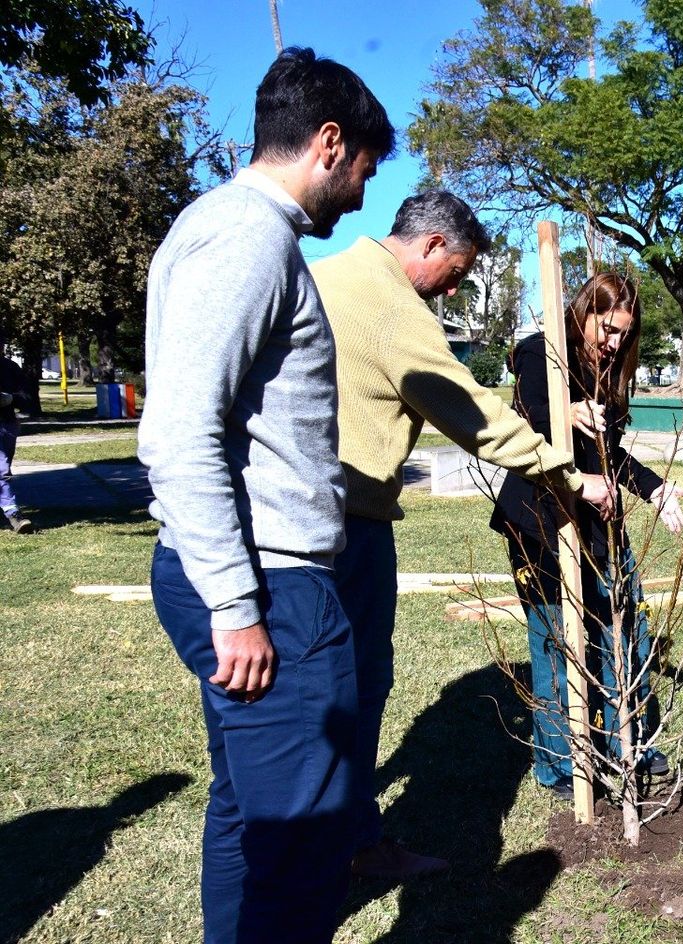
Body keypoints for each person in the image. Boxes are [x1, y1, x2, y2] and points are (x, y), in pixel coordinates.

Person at [138, 48, 394, 943]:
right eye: (362, 170)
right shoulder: (249, 236)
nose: (361, 196)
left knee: (249, 814)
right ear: (329, 144)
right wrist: (239, 605)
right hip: (271, 590)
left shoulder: (223, 229)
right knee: (303, 845)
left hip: (254, 580)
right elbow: (176, 432)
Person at [311, 190, 613, 879]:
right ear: (432, 246)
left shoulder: (322, 276)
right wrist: (565, 473)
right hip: (345, 526)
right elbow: (471, 412)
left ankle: (342, 839)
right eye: (457, 271)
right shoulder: (390, 306)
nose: (456, 286)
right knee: (353, 689)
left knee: (323, 693)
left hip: (304, 517)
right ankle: (346, 848)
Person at [490, 273, 683, 800]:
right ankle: (560, 765)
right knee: (557, 640)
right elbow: (522, 423)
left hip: (601, 520)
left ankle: (630, 743)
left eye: (624, 334)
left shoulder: (612, 369)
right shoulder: (541, 355)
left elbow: (613, 454)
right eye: (607, 329)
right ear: (584, 313)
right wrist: (565, 413)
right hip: (541, 520)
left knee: (625, 631)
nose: (615, 343)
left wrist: (656, 489)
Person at [1, 349, 35, 534]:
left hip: (7, 426)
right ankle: (13, 513)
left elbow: (28, 398)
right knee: (1, 470)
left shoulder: (10, 367)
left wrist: (11, 398)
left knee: (3, 468)